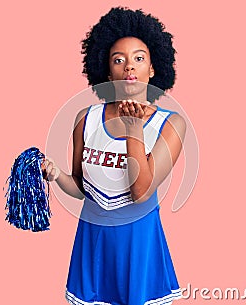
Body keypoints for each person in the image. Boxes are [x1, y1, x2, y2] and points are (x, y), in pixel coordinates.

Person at [42, 7, 186, 305]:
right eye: (118, 60)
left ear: (153, 68)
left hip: (138, 244)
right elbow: (82, 189)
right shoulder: (86, 118)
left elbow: (141, 192)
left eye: (138, 58)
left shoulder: (170, 124)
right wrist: (56, 176)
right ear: (107, 72)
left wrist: (134, 131)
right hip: (93, 243)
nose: (128, 66)